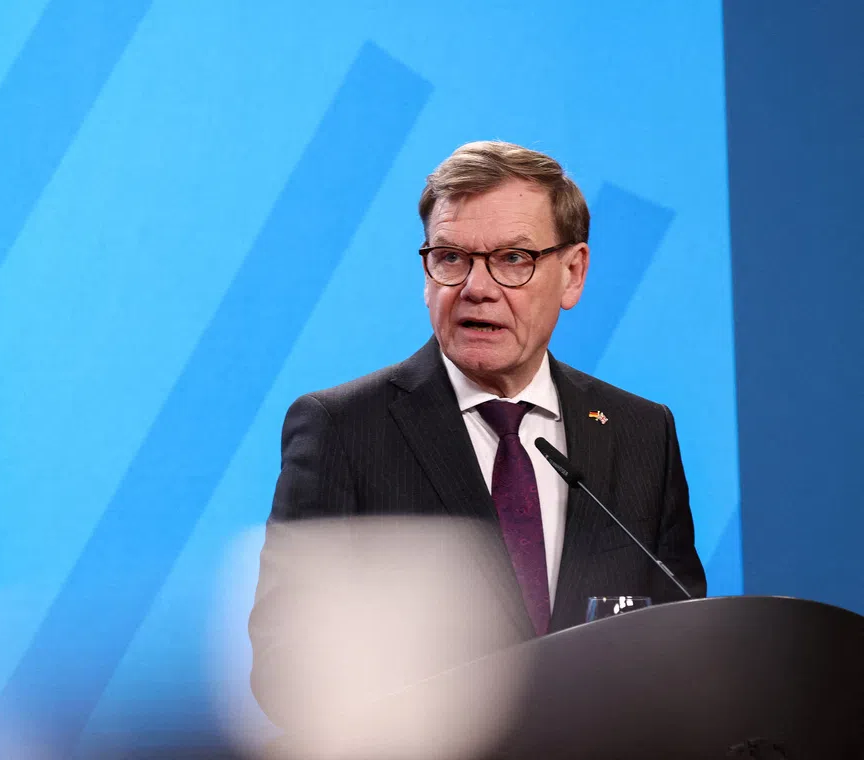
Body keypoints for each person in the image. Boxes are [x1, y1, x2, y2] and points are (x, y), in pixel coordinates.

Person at [248, 140, 707, 739]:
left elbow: (684, 645)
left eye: (513, 259)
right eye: (451, 257)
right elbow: (287, 662)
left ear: (572, 274)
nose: (476, 288)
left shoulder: (641, 431)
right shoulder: (342, 429)